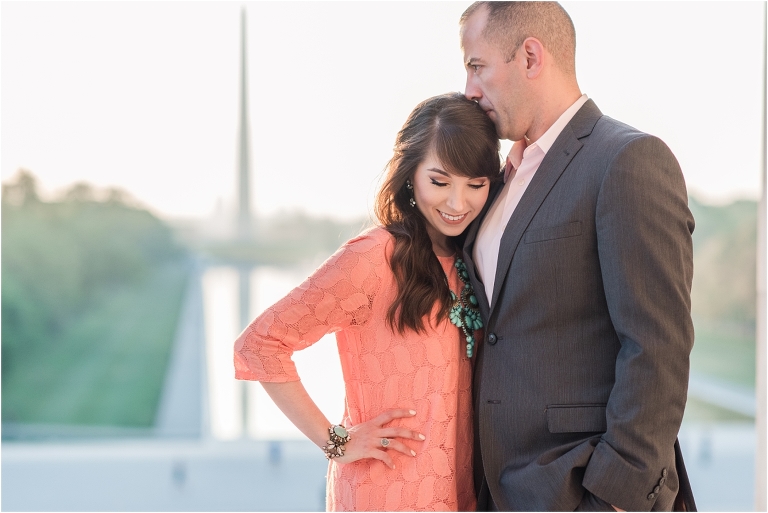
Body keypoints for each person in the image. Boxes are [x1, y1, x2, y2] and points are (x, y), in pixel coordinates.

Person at [458, 2, 696, 511]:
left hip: (580, 490)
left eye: (476, 66)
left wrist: (611, 500)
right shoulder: (501, 178)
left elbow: (657, 348)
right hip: (499, 493)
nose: (469, 90)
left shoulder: (626, 159)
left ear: (529, 56)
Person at [234, 92, 501, 511]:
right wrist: (335, 441)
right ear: (410, 174)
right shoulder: (373, 258)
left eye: (475, 185)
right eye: (440, 181)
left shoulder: (474, 257)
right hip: (383, 493)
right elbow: (261, 344)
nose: (457, 203)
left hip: (459, 495)